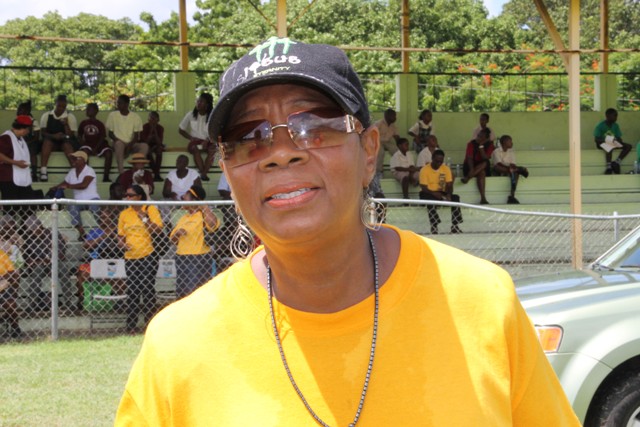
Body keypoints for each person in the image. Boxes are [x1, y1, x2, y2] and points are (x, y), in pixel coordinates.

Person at [116, 38, 579, 426]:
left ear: (370, 150)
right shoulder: (177, 346)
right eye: (250, 137)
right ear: (228, 171)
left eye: (313, 127)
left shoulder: (481, 300)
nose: (280, 154)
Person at [117, 184, 163, 334]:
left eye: (131, 195)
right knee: (133, 291)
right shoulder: (125, 214)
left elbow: (157, 229)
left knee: (148, 290)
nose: (128, 198)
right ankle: (131, 325)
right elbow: (120, 235)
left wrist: (144, 219)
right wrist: (122, 243)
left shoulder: (150, 209)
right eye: (127, 195)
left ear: (139, 197)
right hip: (130, 257)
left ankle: (150, 324)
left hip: (148, 255)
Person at [169, 185, 219, 299]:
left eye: (185, 197)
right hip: (181, 257)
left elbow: (212, 224)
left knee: (194, 291)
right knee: (182, 291)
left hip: (198, 257)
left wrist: (204, 207)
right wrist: (177, 233)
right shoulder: (184, 218)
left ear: (194, 200)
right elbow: (172, 240)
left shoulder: (202, 215)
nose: (182, 199)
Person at [0, 115, 43, 225]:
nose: (28, 131)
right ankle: (6, 236)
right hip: (9, 179)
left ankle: (27, 235)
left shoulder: (21, 139)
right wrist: (16, 163)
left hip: (23, 179)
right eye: (28, 129)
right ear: (23, 128)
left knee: (28, 208)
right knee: (10, 210)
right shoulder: (6, 138)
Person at [49, 151, 100, 239]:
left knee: (95, 207)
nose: (73, 160)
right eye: (73, 158)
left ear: (83, 160)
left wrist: (68, 186)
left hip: (92, 199)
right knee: (71, 206)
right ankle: (81, 232)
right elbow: (65, 182)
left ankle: (103, 229)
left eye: (76, 158)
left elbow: (84, 185)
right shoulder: (72, 172)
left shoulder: (89, 170)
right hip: (78, 201)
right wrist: (56, 187)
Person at [419, 149, 463, 235]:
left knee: (456, 198)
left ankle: (455, 226)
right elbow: (423, 187)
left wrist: (449, 195)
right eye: (437, 161)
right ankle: (434, 225)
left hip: (441, 192)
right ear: (432, 159)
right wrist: (434, 193)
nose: (439, 163)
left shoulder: (445, 169)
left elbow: (449, 185)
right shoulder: (424, 170)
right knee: (430, 201)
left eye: (441, 161)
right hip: (427, 192)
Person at [39, 94, 78, 181]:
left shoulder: (70, 116)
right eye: (59, 105)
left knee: (67, 145)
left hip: (66, 141)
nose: (61, 108)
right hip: (52, 141)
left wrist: (66, 124)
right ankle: (43, 171)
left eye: (63, 106)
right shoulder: (46, 115)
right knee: (47, 142)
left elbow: (71, 135)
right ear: (55, 104)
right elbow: (43, 133)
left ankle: (75, 170)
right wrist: (54, 136)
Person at [178, 93, 216, 181]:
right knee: (195, 148)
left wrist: (207, 140)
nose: (198, 103)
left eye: (201, 102)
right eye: (198, 101)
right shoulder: (190, 114)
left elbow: (216, 132)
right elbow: (180, 130)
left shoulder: (212, 116)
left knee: (214, 151)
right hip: (196, 143)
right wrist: (190, 138)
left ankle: (203, 174)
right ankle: (204, 173)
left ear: (207, 104)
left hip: (208, 142)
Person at [107, 94, 145, 175]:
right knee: (119, 144)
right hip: (118, 143)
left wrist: (129, 146)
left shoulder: (135, 117)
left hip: (131, 143)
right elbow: (110, 133)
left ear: (127, 104)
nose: (118, 105)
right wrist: (119, 141)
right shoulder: (113, 115)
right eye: (118, 103)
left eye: (120, 103)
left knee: (144, 146)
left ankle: (137, 170)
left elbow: (136, 136)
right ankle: (121, 173)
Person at [77, 102, 113, 182]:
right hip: (88, 143)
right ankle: (85, 175)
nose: (87, 111)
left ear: (96, 111)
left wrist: (96, 148)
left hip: (99, 144)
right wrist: (82, 143)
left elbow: (102, 137)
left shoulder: (99, 124)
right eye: (87, 109)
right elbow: (79, 135)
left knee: (109, 153)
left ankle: (106, 176)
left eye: (89, 109)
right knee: (84, 153)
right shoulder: (83, 123)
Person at [492, 135, 529, 204]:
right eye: (510, 141)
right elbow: (498, 164)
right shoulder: (496, 151)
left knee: (516, 173)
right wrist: (511, 168)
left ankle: (512, 196)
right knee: (499, 167)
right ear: (504, 142)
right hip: (499, 170)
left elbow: (513, 164)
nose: (512, 143)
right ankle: (520, 169)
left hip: (509, 170)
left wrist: (513, 168)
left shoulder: (511, 151)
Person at [593, 108, 632, 174]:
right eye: (614, 116)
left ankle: (616, 162)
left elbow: (619, 137)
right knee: (609, 147)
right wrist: (608, 140)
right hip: (602, 143)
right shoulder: (600, 126)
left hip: (613, 142)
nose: (616, 118)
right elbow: (597, 139)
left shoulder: (615, 125)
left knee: (628, 146)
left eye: (616, 116)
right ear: (607, 116)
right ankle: (609, 167)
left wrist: (618, 140)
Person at [461, 128, 494, 204]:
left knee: (484, 165)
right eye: (478, 135)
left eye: (481, 137)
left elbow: (485, 157)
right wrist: (472, 170)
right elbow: (469, 158)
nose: (478, 138)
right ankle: (483, 198)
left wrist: (481, 146)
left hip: (482, 166)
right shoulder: (471, 144)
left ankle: (468, 178)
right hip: (469, 167)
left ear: (486, 139)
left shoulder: (490, 145)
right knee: (481, 172)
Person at [16, 101, 41, 182]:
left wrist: (27, 142)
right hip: (21, 140)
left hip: (32, 141)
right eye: (19, 109)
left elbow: (36, 137)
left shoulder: (34, 121)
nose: (19, 111)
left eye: (21, 110)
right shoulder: (17, 120)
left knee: (32, 151)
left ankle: (34, 173)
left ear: (27, 111)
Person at [0, 247, 21, 339]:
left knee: (10, 304)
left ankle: (15, 328)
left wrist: (6, 280)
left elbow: (12, 273)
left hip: (2, 284)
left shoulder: (1, 254)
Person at [140, 111, 165, 182]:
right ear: (148, 119)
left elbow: (159, 142)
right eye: (151, 118)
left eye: (154, 119)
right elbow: (146, 142)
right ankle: (156, 174)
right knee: (147, 150)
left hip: (156, 145)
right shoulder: (144, 127)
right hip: (145, 144)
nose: (152, 120)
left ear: (158, 120)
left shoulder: (160, 128)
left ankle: (156, 174)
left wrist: (155, 131)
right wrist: (151, 131)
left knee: (159, 150)